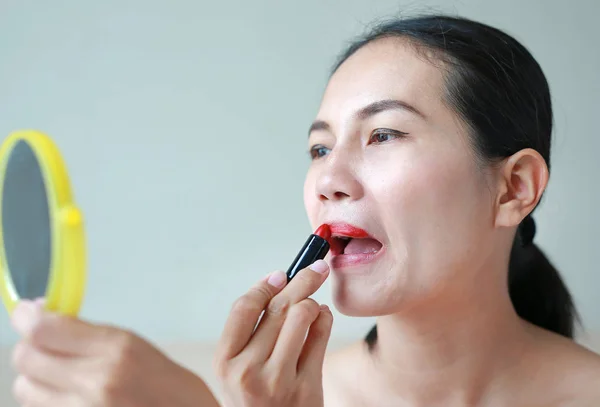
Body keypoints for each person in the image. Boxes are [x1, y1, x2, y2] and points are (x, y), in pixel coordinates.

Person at [9, 14, 600, 407]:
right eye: (320, 148)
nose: (328, 180)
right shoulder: (280, 394)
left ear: (514, 188)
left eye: (384, 135)